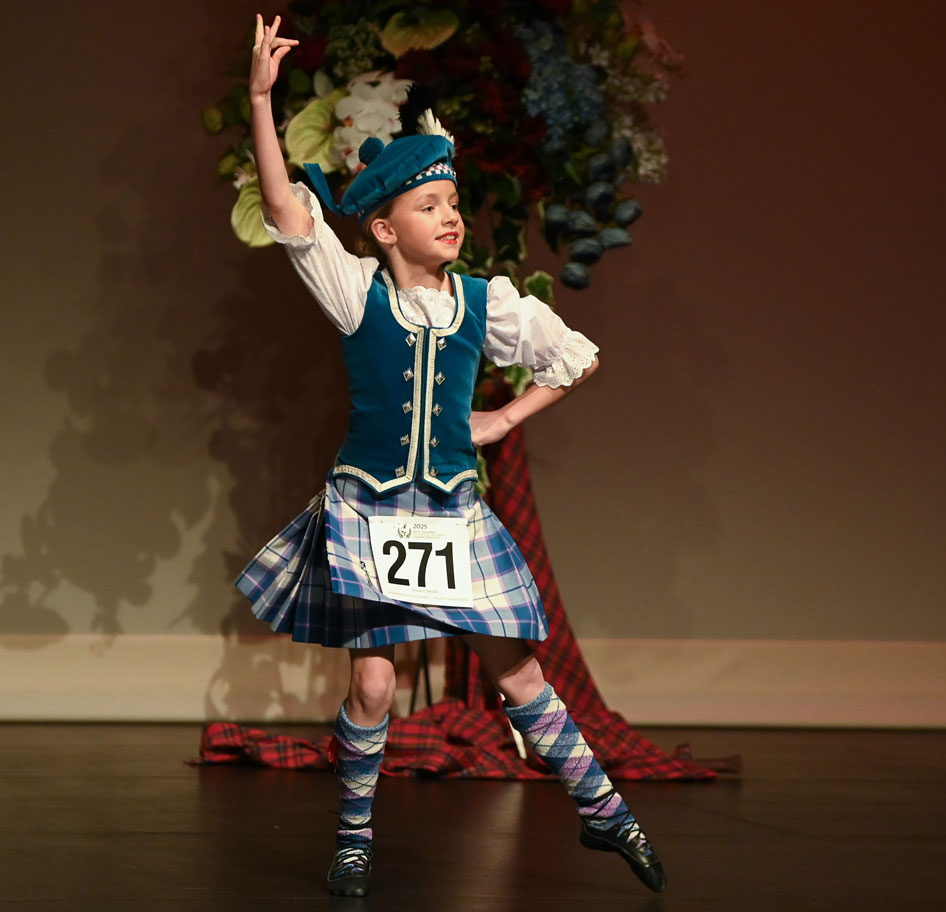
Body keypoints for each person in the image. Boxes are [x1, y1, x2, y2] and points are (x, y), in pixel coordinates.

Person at [240, 13, 666, 898]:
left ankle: (604, 811)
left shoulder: (485, 302)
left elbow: (574, 355)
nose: (451, 218)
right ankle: (353, 838)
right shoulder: (356, 293)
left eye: (454, 204)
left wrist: (507, 416)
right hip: (371, 511)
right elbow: (288, 214)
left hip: (451, 515)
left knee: (518, 671)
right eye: (429, 206)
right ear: (384, 229)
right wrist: (260, 101)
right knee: (373, 684)